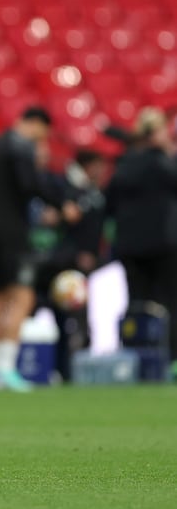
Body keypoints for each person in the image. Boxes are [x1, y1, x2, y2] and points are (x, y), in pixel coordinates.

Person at [0, 107, 81, 392]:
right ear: (36, 124)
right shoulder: (19, 146)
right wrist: (62, 205)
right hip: (10, 234)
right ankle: (6, 369)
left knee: (1, 299)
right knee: (22, 296)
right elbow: (31, 184)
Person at [106, 106, 177, 368]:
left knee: (136, 302)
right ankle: (170, 360)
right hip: (165, 244)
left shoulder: (124, 165)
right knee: (170, 302)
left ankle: (135, 357)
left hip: (129, 245)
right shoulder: (165, 164)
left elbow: (109, 204)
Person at [32, 150, 107, 382]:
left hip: (67, 262)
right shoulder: (64, 186)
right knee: (63, 316)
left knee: (70, 318)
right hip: (58, 263)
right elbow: (70, 220)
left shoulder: (86, 189)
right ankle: (58, 368)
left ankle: (68, 369)